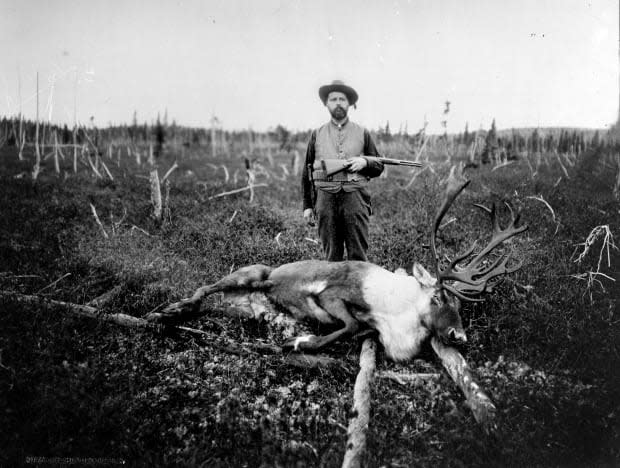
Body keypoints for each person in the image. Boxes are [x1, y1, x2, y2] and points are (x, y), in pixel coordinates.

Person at [302, 80, 384, 262]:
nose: (338, 103)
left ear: (350, 104)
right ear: (326, 104)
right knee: (331, 257)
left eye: (342, 99)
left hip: (355, 198)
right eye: (333, 99)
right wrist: (307, 206)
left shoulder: (363, 133)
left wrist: (365, 162)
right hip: (325, 199)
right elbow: (307, 172)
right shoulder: (317, 134)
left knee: (359, 257)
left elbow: (379, 165)